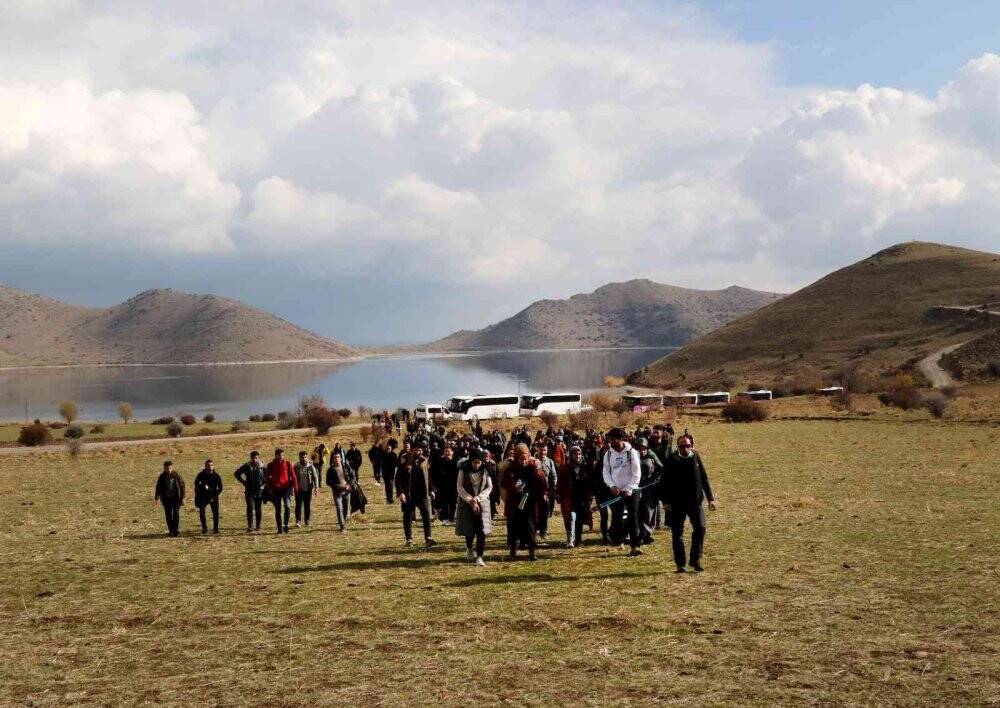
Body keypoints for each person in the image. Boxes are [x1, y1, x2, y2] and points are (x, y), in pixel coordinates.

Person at [658, 434, 717, 572]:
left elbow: (704, 478)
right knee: (677, 534)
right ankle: (680, 564)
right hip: (676, 503)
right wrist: (665, 501)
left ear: (692, 445)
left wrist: (711, 498)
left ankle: (695, 559)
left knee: (700, 528)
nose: (685, 448)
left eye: (687, 445)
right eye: (682, 446)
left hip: (695, 502)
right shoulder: (672, 459)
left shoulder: (695, 456)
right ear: (677, 447)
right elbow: (663, 483)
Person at [499, 443, 548, 561]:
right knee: (513, 527)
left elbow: (542, 483)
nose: (524, 461)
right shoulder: (510, 468)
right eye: (521, 459)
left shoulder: (533, 467)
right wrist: (514, 486)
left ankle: (532, 552)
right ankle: (513, 551)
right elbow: (504, 483)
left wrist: (538, 470)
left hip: (529, 503)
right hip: (514, 503)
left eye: (525, 459)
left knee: (530, 527)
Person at [602, 428, 643, 556]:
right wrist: (612, 486)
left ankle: (635, 546)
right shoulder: (608, 454)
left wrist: (630, 488)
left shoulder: (632, 453)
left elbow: (636, 473)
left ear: (621, 439)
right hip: (616, 491)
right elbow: (606, 472)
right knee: (617, 518)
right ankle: (619, 541)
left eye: (613, 439)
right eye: (609, 439)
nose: (611, 442)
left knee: (633, 518)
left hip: (631, 491)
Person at [455, 449, 493, 566]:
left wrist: (478, 498)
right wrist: (470, 499)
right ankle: (469, 548)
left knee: (481, 531)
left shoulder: (486, 470)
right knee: (469, 529)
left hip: (482, 503)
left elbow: (489, 487)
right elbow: (460, 487)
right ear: (470, 461)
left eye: (479, 462)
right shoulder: (463, 470)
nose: (477, 465)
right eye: (474, 462)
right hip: (467, 503)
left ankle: (480, 556)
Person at [395, 441, 436, 547]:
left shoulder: (424, 461)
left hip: (422, 493)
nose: (418, 451)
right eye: (416, 449)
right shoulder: (404, 461)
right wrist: (400, 493)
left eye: (420, 449)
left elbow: (429, 476)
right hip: (409, 494)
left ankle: (428, 538)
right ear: (412, 450)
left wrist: (431, 490)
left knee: (426, 516)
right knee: (407, 516)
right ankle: (409, 539)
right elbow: (398, 478)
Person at [557, 445, 592, 548]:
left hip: (582, 498)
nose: (577, 456)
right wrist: (558, 495)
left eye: (579, 454)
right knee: (571, 518)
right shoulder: (564, 468)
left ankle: (578, 539)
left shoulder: (585, 467)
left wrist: (589, 496)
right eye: (575, 454)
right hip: (569, 497)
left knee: (580, 519)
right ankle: (570, 540)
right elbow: (560, 483)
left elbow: (588, 483)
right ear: (571, 455)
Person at [635, 438, 663, 545]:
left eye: (644, 449)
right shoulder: (633, 459)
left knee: (649, 512)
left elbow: (661, 469)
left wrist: (657, 478)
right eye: (639, 449)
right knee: (639, 513)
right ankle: (641, 535)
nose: (642, 451)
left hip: (650, 489)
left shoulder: (652, 457)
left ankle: (647, 534)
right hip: (637, 489)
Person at [264, 448, 298, 534]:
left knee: (287, 507)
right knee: (278, 510)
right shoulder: (271, 465)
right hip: (275, 490)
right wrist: (269, 489)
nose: (281, 457)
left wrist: (295, 488)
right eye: (279, 455)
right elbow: (267, 479)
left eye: (282, 455)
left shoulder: (287, 464)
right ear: (275, 455)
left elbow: (293, 476)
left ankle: (285, 525)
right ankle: (279, 528)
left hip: (286, 489)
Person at [234, 451, 266, 532]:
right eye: (253, 458)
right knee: (250, 507)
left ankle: (258, 525)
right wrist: (243, 482)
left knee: (258, 508)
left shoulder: (262, 466)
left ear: (259, 458)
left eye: (256, 458)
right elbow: (236, 473)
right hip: (249, 490)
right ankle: (250, 525)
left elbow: (268, 476)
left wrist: (263, 485)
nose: (255, 460)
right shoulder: (247, 466)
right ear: (250, 458)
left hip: (259, 490)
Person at [154, 460, 185, 537]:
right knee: (168, 515)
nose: (168, 470)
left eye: (170, 468)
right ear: (164, 468)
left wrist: (183, 498)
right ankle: (171, 530)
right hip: (166, 499)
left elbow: (182, 486)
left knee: (176, 513)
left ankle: (176, 529)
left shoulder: (176, 475)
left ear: (172, 467)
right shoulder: (161, 477)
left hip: (176, 499)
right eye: (167, 468)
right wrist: (157, 498)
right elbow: (158, 487)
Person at [194, 459, 224, 534]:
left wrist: (215, 495)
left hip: (213, 495)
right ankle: (204, 528)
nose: (210, 467)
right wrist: (202, 488)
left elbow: (220, 487)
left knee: (215, 512)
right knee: (202, 511)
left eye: (211, 465)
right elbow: (196, 484)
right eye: (208, 465)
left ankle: (216, 529)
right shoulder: (201, 475)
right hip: (203, 496)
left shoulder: (216, 476)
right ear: (205, 466)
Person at [431, 446, 459, 525]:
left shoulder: (456, 462)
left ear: (452, 452)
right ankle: (445, 518)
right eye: (445, 451)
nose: (447, 453)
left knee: (453, 503)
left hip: (454, 486)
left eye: (448, 451)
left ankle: (452, 518)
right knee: (444, 503)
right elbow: (434, 472)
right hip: (443, 486)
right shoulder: (440, 461)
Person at [535, 444, 558, 541]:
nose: (543, 452)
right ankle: (535, 531)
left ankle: (543, 531)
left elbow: (553, 475)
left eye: (545, 450)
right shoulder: (532, 460)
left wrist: (553, 487)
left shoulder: (550, 461)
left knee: (545, 512)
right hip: (534, 491)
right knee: (535, 512)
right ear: (537, 450)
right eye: (541, 450)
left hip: (546, 492)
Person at [326, 455, 352, 532]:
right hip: (337, 492)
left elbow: (352, 476)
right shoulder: (330, 470)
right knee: (339, 508)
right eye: (335, 458)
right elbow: (328, 482)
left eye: (338, 457)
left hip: (347, 491)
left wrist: (349, 485)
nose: (336, 459)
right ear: (333, 459)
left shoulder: (346, 467)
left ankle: (342, 521)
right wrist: (339, 486)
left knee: (346, 508)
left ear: (340, 459)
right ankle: (342, 526)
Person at [293, 451, 319, 528]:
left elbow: (315, 477)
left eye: (305, 457)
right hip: (299, 489)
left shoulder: (310, 466)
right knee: (298, 506)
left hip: (308, 489)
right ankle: (298, 521)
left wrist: (316, 488)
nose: (303, 458)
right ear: (299, 457)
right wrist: (293, 487)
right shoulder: (296, 466)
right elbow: (293, 477)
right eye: (302, 457)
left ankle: (307, 521)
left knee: (307, 506)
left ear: (307, 457)